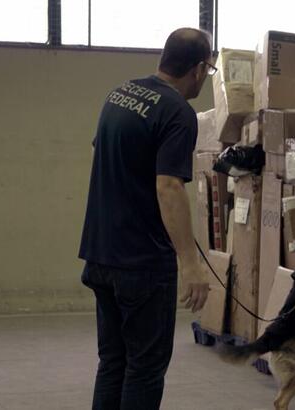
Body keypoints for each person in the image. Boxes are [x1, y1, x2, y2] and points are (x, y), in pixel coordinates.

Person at [78, 28, 215, 410]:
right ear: (200, 69)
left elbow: (101, 156)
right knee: (145, 368)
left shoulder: (118, 94)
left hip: (101, 254)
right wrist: (190, 263)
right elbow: (169, 186)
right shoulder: (178, 113)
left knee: (113, 362)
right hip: (141, 264)